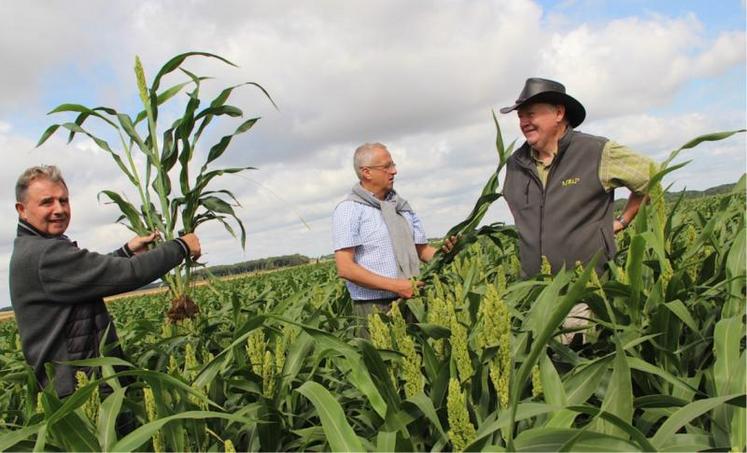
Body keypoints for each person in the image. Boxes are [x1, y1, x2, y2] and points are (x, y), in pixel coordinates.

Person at [9, 165, 201, 397]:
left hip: (81, 382)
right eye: (47, 202)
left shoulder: (36, 249)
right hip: (81, 390)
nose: (59, 209)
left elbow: (85, 277)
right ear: (22, 210)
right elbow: (128, 274)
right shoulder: (44, 255)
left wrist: (126, 251)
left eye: (64, 200)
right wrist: (181, 246)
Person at [500, 77, 654, 278]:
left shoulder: (596, 151)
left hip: (586, 290)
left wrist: (622, 221)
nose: (523, 123)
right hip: (535, 297)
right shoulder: (515, 164)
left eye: (530, 114)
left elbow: (654, 179)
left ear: (559, 113)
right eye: (520, 117)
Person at [332, 143, 453, 323]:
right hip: (376, 308)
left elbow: (422, 251)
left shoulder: (401, 207)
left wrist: (449, 252)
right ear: (366, 172)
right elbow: (346, 268)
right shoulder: (349, 210)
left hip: (413, 301)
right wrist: (397, 286)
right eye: (387, 166)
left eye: (393, 165)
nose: (394, 171)